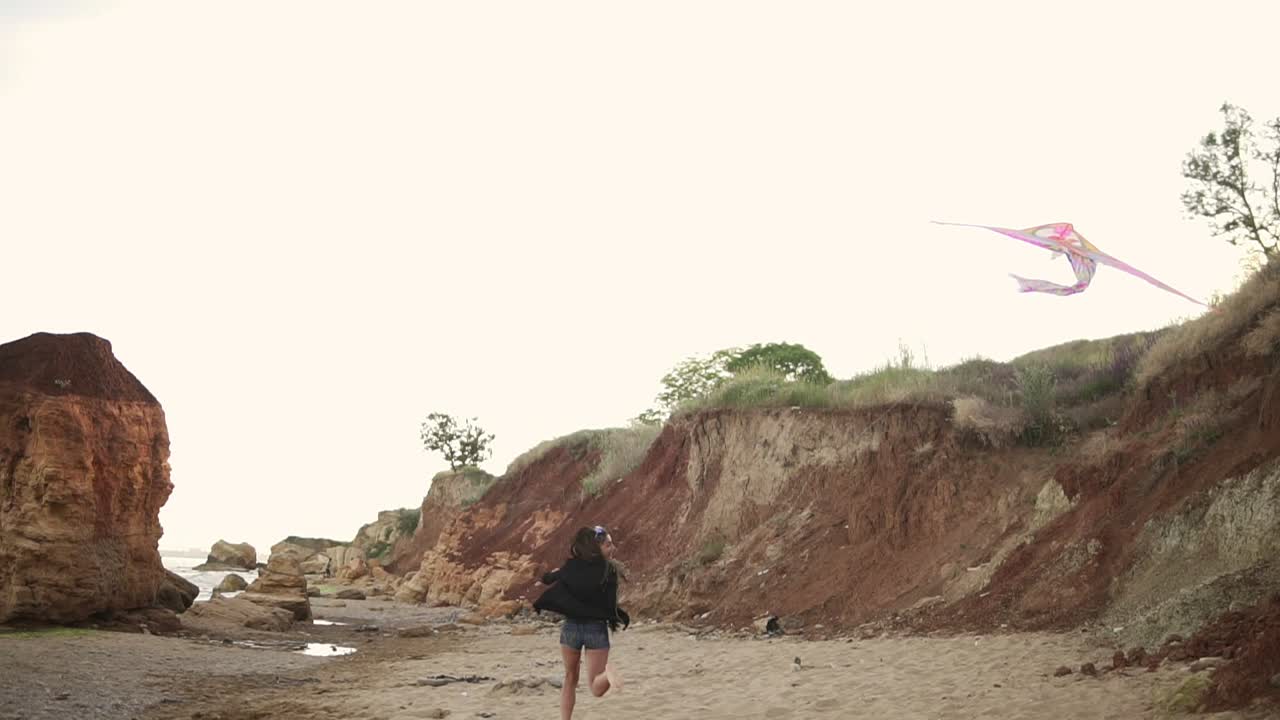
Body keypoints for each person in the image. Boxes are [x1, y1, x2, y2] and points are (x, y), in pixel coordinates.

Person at [533, 525, 630, 720]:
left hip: (571, 629)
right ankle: (608, 675)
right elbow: (609, 605)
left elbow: (551, 578)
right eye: (609, 545)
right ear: (597, 547)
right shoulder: (608, 570)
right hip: (596, 629)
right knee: (596, 687)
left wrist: (543, 575)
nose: (613, 548)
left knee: (570, 678)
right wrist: (617, 617)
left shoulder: (571, 566)